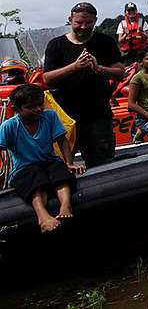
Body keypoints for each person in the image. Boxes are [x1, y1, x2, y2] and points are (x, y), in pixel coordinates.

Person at [42, 2, 124, 167]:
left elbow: (120, 72)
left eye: (88, 23)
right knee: (61, 166)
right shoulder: (56, 45)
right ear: (70, 20)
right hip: (65, 118)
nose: (83, 27)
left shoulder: (105, 42)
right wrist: (75, 67)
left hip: (97, 115)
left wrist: (98, 68)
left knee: (103, 164)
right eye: (79, 22)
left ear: (95, 21)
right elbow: (47, 78)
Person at [0, 84, 86, 232]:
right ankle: (43, 216)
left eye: (40, 105)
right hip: (25, 167)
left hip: (50, 161)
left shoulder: (49, 116)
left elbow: (62, 140)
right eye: (31, 107)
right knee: (36, 179)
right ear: (16, 109)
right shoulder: (9, 126)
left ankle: (65, 205)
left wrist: (69, 163)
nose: (38, 110)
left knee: (61, 172)